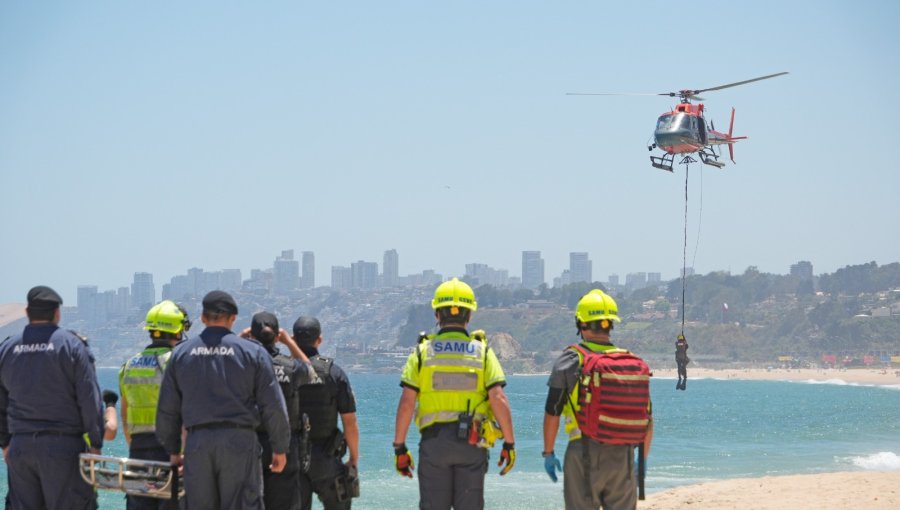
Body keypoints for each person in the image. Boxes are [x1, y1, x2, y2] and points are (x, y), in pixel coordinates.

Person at [155, 290, 291, 510]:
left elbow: (167, 408)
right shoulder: (253, 353)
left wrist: (173, 450)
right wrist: (280, 448)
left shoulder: (181, 354)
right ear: (233, 319)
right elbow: (273, 404)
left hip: (198, 443)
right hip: (239, 442)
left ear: (202, 318)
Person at [393, 277, 516, 510]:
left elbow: (407, 403)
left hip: (433, 445)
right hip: (472, 444)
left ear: (437, 315)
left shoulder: (421, 353)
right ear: (469, 315)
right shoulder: (482, 352)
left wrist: (399, 447)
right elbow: (498, 398)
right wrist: (509, 444)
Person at [542, 289, 653, 510]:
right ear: (611, 324)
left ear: (581, 324)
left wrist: (548, 452)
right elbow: (647, 419)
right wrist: (642, 460)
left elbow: (552, 411)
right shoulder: (631, 362)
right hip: (623, 456)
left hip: (583, 452)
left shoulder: (571, 359)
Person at [0, 286, 105, 510]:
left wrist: (5, 443)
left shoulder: (7, 348)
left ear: (27, 311)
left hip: (21, 447)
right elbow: (89, 398)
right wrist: (96, 444)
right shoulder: (72, 345)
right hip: (63, 448)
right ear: (57, 312)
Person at [239, 311, 317, 510]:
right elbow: (310, 370)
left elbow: (220, 363)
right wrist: (289, 342)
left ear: (253, 336)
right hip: (285, 444)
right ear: (276, 336)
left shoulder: (243, 365)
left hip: (248, 442)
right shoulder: (290, 367)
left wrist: (239, 339)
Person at [119, 300, 191, 510]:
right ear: (177, 330)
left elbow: (125, 417)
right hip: (171, 452)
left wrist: (135, 446)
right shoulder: (178, 362)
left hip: (138, 451)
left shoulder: (128, 366)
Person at [291, 316, 360, 510]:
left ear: (293, 339)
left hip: (293, 457)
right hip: (327, 457)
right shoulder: (334, 373)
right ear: (319, 340)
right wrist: (354, 458)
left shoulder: (285, 371)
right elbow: (350, 421)